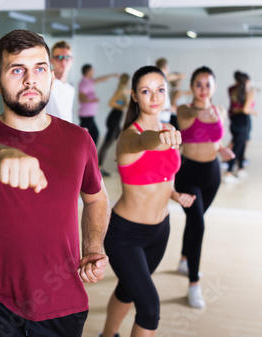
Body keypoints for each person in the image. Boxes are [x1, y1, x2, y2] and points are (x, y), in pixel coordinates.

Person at [0, 29, 110, 337]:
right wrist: (3, 157)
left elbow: (96, 198)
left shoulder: (79, 140)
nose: (30, 80)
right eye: (17, 70)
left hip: (63, 301)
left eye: (39, 69)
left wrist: (92, 246)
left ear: (51, 76)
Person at [101, 66, 195, 337]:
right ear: (134, 96)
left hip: (159, 232)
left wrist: (176, 194)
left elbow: (164, 177)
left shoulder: (169, 128)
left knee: (128, 289)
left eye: (160, 90)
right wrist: (159, 138)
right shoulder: (130, 136)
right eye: (146, 91)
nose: (154, 97)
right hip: (125, 234)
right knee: (150, 308)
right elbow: (145, 141)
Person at [174, 66, 234, 308]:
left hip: (212, 174)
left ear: (215, 87)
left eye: (208, 85)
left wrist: (221, 149)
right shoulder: (185, 109)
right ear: (192, 87)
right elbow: (190, 125)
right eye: (199, 84)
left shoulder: (220, 110)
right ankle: (194, 283)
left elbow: (215, 137)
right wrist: (205, 110)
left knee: (195, 220)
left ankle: (184, 259)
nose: (203, 89)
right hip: (188, 174)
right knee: (198, 223)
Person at [225, 71, 257, 183]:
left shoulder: (232, 90)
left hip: (235, 121)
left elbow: (235, 109)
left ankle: (240, 168)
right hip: (243, 121)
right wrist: (254, 112)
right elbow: (245, 110)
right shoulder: (248, 93)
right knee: (238, 146)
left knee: (239, 144)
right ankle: (229, 171)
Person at [78, 64, 119, 147]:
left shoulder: (89, 81)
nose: (94, 72)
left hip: (89, 115)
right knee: (87, 135)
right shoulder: (84, 83)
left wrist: (112, 75)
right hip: (86, 115)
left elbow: (100, 79)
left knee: (93, 134)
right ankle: (84, 153)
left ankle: (89, 153)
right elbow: (81, 98)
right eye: (92, 70)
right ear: (88, 71)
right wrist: (92, 100)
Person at [97, 73, 130, 177]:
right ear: (126, 81)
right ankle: (99, 167)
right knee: (107, 143)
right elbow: (111, 103)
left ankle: (122, 166)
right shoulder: (120, 91)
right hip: (114, 119)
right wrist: (123, 105)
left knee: (121, 142)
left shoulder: (123, 92)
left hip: (116, 119)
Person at [46, 40, 75, 122]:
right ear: (52, 61)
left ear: (72, 61)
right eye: (59, 57)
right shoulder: (46, 82)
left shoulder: (70, 88)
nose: (63, 62)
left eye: (67, 57)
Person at [155, 58, 184, 124]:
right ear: (166, 67)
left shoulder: (163, 81)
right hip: (162, 117)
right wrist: (168, 109)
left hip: (164, 117)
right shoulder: (160, 80)